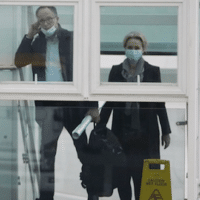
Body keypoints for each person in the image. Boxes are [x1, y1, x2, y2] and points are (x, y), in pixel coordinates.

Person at [14, 6, 99, 200]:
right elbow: (19, 61)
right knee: (47, 158)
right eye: (42, 21)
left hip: (73, 104)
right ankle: (46, 198)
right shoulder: (36, 43)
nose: (46, 24)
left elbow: (88, 70)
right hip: (48, 106)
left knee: (84, 153)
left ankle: (93, 195)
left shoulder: (72, 38)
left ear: (57, 18)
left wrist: (92, 105)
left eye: (49, 19)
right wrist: (29, 35)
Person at [96, 31, 171, 200]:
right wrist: (100, 126)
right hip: (122, 134)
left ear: (143, 49)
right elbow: (110, 101)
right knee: (122, 178)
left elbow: (159, 103)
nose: (133, 50)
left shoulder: (152, 71)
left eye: (136, 47)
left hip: (146, 134)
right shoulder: (116, 71)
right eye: (129, 47)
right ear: (125, 48)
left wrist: (166, 130)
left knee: (143, 180)